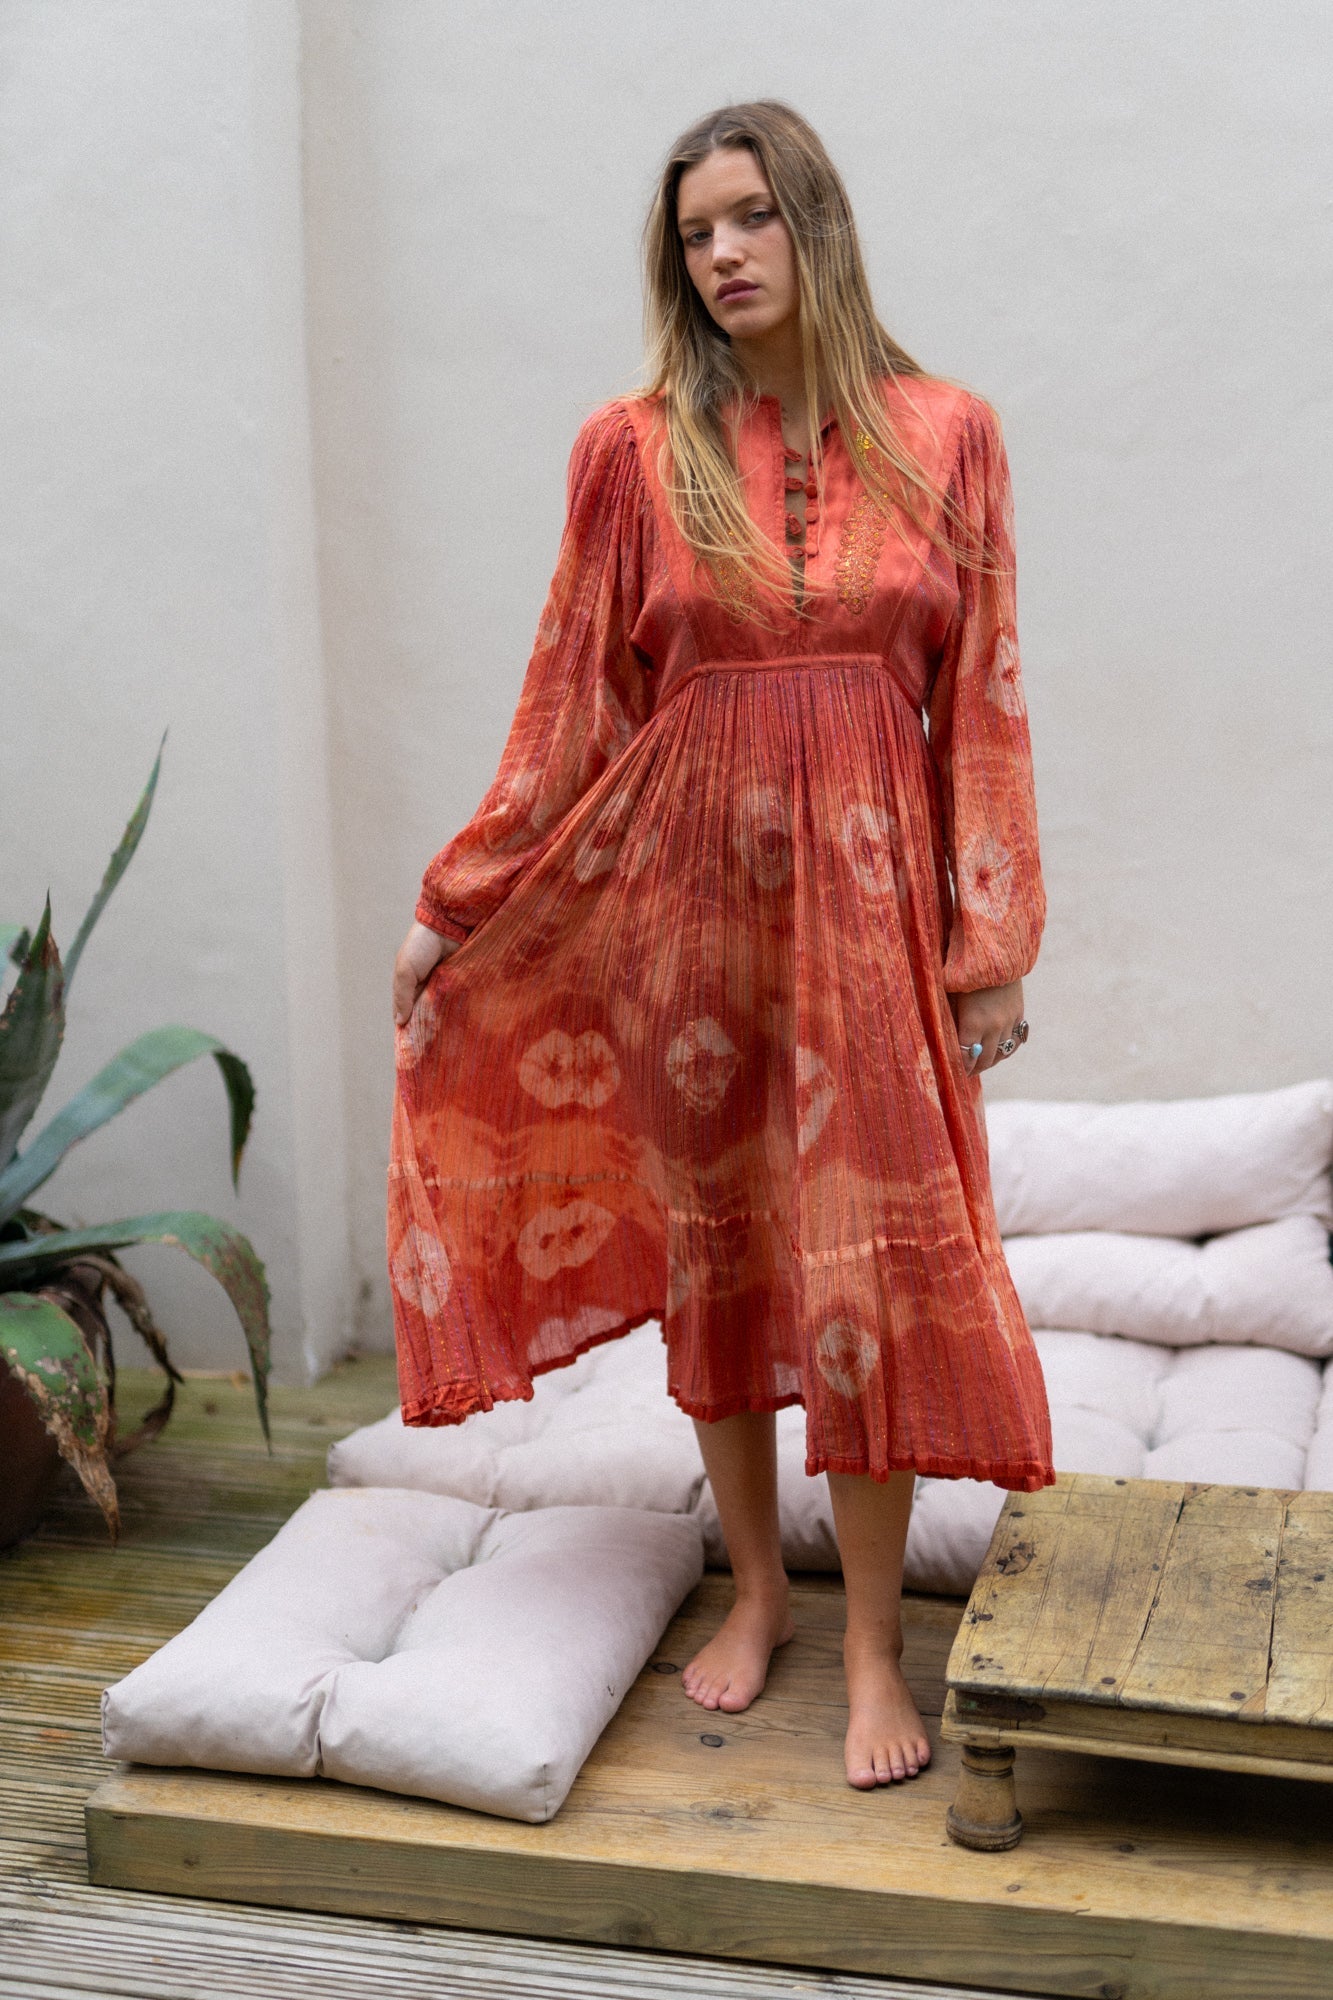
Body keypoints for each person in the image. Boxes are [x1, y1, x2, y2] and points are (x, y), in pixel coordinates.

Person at [390, 100, 1052, 1791]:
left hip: (872, 924)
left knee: (868, 1271)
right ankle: (757, 1591)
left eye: (750, 217)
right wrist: (457, 904)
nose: (723, 254)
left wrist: (989, 940)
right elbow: (570, 697)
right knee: (725, 1254)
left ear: (815, 225)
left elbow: (981, 701)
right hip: (685, 922)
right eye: (695, 233)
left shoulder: (948, 433)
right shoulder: (630, 449)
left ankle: (875, 1648)